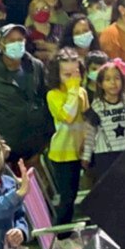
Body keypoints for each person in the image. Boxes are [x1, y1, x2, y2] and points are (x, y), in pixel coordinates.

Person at [0, 24, 53, 165]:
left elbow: (46, 99)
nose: (17, 44)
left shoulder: (36, 66)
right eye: (11, 41)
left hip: (37, 146)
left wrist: (46, 137)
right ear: (1, 44)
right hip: (9, 150)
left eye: (20, 39)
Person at [45, 48, 89, 225]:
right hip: (62, 153)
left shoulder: (82, 92)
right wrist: (72, 90)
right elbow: (69, 117)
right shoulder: (53, 95)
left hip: (80, 149)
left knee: (79, 190)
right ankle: (62, 235)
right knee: (67, 197)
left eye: (76, 73)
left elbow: (85, 120)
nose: (73, 78)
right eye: (67, 74)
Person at [81, 59, 125, 184]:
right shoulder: (97, 106)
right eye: (108, 79)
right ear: (100, 84)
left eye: (117, 78)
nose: (113, 83)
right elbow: (90, 133)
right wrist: (86, 156)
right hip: (104, 156)